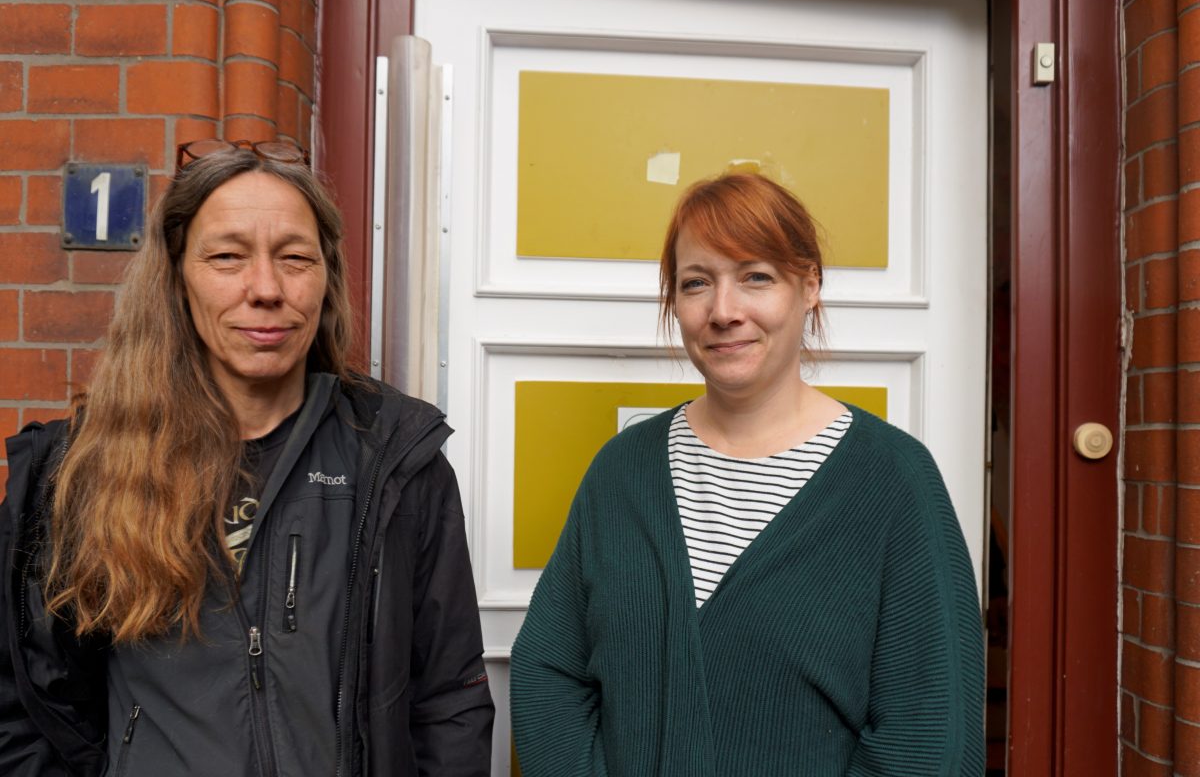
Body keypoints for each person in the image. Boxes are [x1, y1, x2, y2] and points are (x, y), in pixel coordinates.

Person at [0, 140, 494, 776]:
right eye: (227, 257)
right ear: (177, 277)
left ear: (326, 279)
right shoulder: (79, 469)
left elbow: (449, 700)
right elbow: (25, 706)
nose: (265, 288)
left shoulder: (396, 463)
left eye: (294, 258)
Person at [510, 172, 983, 776]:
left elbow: (930, 732)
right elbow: (548, 672)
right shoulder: (623, 472)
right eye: (696, 283)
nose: (723, 311)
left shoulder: (894, 480)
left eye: (755, 277)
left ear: (808, 286)